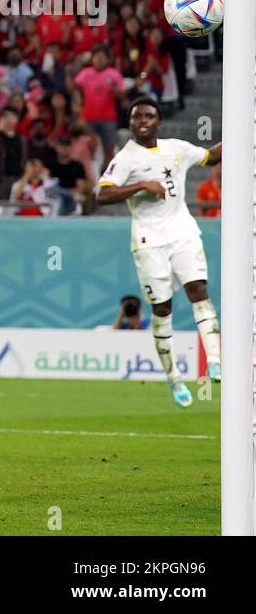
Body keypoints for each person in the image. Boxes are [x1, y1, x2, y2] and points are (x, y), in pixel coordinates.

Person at [96, 97, 222, 407]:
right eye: (137, 116)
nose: (142, 120)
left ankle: (216, 360)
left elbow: (210, 157)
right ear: (130, 124)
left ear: (158, 122)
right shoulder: (126, 158)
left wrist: (241, 132)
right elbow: (102, 194)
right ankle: (173, 377)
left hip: (182, 232)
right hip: (148, 240)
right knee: (162, 309)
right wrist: (141, 186)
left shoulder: (176, 148)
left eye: (149, 116)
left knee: (198, 290)